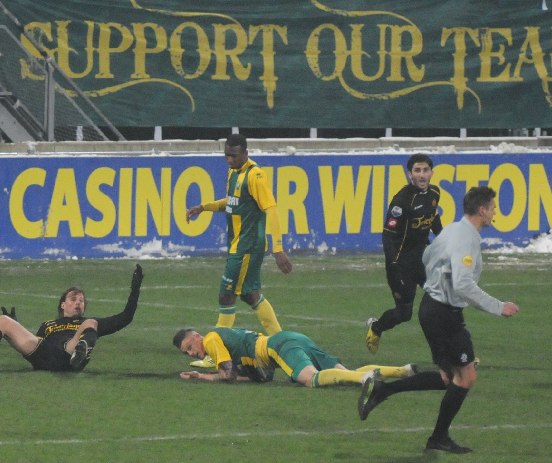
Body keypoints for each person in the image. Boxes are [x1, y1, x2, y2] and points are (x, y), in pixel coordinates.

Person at [357, 186, 520, 454]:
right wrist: (498, 307)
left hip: (431, 309)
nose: (494, 212)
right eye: (492, 208)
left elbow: (428, 256)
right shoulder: (466, 239)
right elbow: (463, 284)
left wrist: (436, 281)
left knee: (448, 377)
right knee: (466, 377)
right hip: (445, 315)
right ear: (482, 210)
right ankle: (438, 437)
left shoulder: (453, 229)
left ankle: (383, 391)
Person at [186, 133, 292, 369]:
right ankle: (282, 342)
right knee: (250, 294)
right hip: (239, 246)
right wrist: (204, 207)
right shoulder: (234, 173)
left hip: (247, 247)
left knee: (226, 295)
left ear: (245, 152)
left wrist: (278, 248)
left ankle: (216, 351)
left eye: (233, 156)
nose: (229, 160)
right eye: (226, 155)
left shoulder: (255, 176)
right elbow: (231, 202)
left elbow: (271, 209)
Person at [0, 264, 143, 372]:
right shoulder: (48, 325)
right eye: (73, 299)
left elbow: (126, 317)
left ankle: (81, 352)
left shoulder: (87, 322)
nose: (78, 303)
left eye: (81, 300)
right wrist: (13, 324)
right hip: (46, 357)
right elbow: (33, 343)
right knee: (1, 320)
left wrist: (135, 288)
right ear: (62, 304)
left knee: (90, 323)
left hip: (69, 355)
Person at [366, 153, 443, 354]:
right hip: (401, 265)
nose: (422, 175)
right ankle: (376, 327)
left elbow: (433, 218)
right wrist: (393, 267)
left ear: (432, 173)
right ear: (410, 174)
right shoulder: (401, 201)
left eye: (425, 170)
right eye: (417, 170)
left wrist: (443, 240)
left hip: (423, 261)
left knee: (443, 301)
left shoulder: (434, 193)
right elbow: (388, 235)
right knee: (404, 313)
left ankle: (456, 355)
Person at [174, 327, 417, 388]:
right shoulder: (227, 339)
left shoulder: (212, 340)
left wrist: (201, 376)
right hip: (292, 339)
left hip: (280, 346)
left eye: (189, 346)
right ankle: (403, 371)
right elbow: (261, 377)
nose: (192, 352)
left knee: (310, 379)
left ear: (197, 336)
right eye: (187, 353)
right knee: (344, 373)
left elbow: (227, 374)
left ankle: (364, 378)